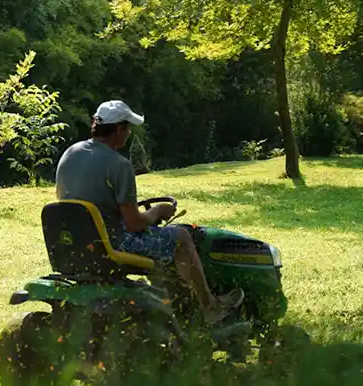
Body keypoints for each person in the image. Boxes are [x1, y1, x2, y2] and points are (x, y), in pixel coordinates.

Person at [55, 99, 244, 325]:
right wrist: (157, 211)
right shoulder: (119, 164)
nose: (129, 134)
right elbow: (134, 223)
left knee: (159, 241)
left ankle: (175, 305)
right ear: (118, 129)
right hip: (113, 245)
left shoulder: (69, 154)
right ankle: (210, 306)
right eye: (128, 128)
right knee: (181, 237)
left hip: (75, 245)